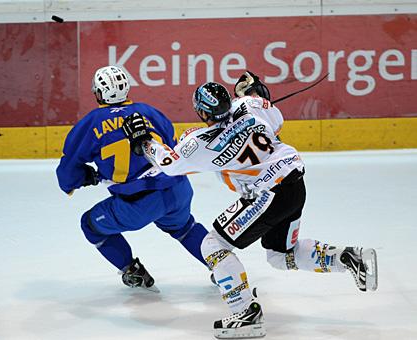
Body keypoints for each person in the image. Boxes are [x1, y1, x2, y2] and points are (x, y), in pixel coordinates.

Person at [122, 72, 378, 338]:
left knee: (213, 245)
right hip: (295, 184)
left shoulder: (200, 142)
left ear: (201, 112)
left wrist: (144, 142)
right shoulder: (250, 105)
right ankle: (348, 257)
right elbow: (275, 120)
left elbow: (171, 165)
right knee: (281, 255)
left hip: (269, 192)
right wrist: (254, 94)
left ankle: (245, 313)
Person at [56, 65, 210, 291]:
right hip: (178, 190)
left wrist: (81, 178)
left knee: (90, 225)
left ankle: (133, 272)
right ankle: (223, 268)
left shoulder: (92, 123)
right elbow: (173, 148)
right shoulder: (150, 112)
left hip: (137, 204)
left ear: (98, 93)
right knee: (185, 227)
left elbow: (68, 172)